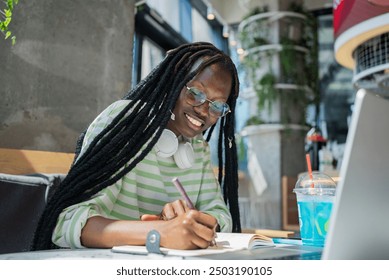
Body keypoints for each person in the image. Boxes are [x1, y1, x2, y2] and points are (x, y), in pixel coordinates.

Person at [31, 42, 241, 251]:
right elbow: (67, 222)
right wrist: (160, 232)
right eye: (196, 93)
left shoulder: (198, 147)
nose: (204, 111)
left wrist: (197, 223)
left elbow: (220, 215)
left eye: (217, 106)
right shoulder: (125, 122)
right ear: (175, 80)